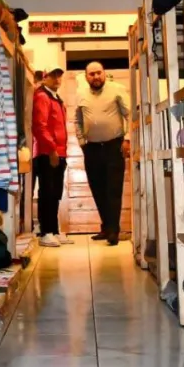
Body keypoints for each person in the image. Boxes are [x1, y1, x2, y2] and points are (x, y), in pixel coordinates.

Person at [76, 62, 129, 245]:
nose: (96, 77)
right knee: (98, 189)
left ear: (104, 73)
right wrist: (82, 142)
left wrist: (128, 139)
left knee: (113, 189)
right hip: (91, 149)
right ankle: (106, 227)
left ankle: (113, 230)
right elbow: (77, 120)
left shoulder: (117, 89)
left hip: (114, 147)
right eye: (91, 74)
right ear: (86, 77)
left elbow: (130, 114)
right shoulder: (81, 93)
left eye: (99, 73)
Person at [32, 65, 70, 247]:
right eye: (53, 76)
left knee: (55, 193)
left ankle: (53, 230)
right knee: (47, 192)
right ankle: (46, 232)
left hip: (59, 152)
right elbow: (40, 126)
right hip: (48, 153)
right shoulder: (42, 97)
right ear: (45, 78)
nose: (57, 79)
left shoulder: (55, 98)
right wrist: (52, 149)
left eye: (59, 76)